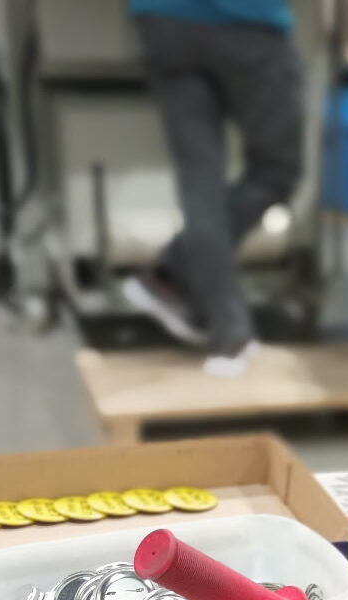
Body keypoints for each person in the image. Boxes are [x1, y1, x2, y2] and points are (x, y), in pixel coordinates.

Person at [124, 0, 303, 373]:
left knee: (199, 181)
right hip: (247, 22)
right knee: (277, 170)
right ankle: (173, 273)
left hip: (163, 20)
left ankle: (228, 335)